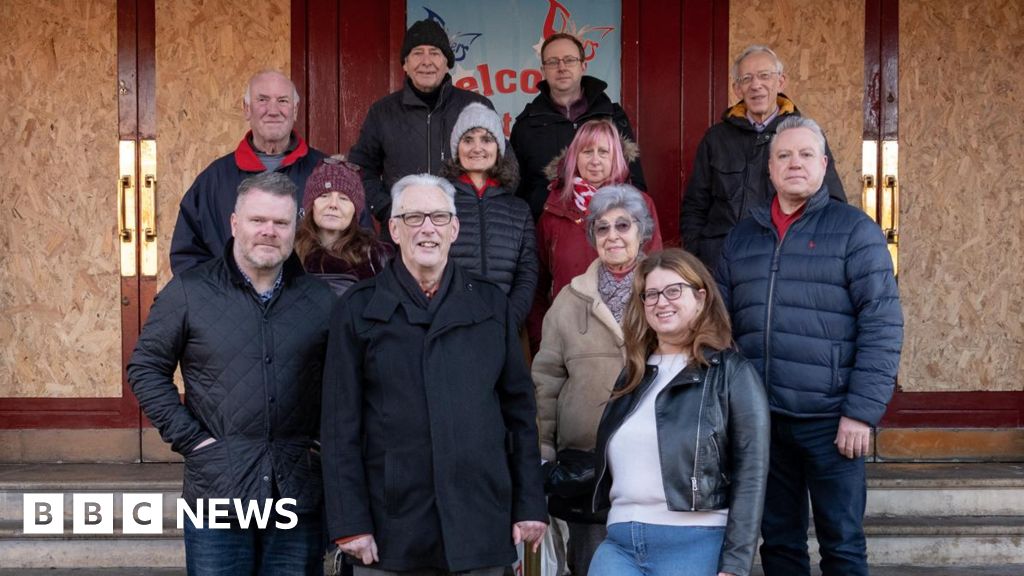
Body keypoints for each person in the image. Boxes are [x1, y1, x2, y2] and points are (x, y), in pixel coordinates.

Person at [321, 174, 548, 575]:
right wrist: (349, 522)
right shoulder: (358, 309)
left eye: (440, 217)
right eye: (414, 217)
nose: (428, 228)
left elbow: (519, 414)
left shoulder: (491, 304)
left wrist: (529, 504)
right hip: (391, 530)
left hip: (480, 524)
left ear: (455, 228)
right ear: (393, 229)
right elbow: (340, 427)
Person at [715, 117, 903, 576]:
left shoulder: (855, 231)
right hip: (764, 421)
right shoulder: (743, 238)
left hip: (832, 421)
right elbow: (718, 325)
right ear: (770, 169)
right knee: (779, 544)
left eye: (804, 155)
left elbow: (883, 325)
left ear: (823, 164)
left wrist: (860, 411)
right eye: (783, 155)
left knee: (841, 544)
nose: (793, 163)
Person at [128, 171, 335, 575]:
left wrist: (321, 442)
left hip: (296, 487)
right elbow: (146, 367)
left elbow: (345, 383)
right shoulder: (190, 292)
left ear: (296, 227)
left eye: (281, 222)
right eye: (258, 220)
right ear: (235, 223)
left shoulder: (320, 300)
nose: (269, 232)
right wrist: (192, 440)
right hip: (218, 490)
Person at [591, 248, 770, 576]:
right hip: (619, 542)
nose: (662, 302)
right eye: (652, 294)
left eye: (674, 291)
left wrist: (735, 564)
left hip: (695, 542)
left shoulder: (731, 373)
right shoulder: (633, 374)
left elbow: (752, 475)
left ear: (701, 298)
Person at [531, 185, 656, 576]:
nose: (613, 236)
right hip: (587, 466)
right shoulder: (570, 300)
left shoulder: (665, 290)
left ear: (642, 231)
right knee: (592, 563)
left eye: (624, 225)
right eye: (602, 228)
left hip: (654, 461)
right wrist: (543, 449)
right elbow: (546, 378)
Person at [680, 45, 847, 271]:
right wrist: (699, 258)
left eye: (764, 76)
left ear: (781, 81)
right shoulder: (716, 138)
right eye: (746, 79)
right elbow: (694, 207)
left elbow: (832, 202)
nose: (756, 85)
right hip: (720, 265)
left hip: (784, 262)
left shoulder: (803, 135)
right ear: (736, 89)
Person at [348, 19, 501, 238]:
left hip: (468, 235)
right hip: (403, 233)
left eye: (435, 53)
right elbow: (360, 169)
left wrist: (479, 210)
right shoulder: (382, 112)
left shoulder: (476, 106)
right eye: (417, 53)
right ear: (405, 64)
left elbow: (504, 167)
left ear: (447, 62)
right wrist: (386, 208)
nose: (426, 61)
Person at [171, 69, 326, 274]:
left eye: (282, 101)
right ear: (246, 109)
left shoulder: (327, 174)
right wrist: (216, 300)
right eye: (262, 99)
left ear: (295, 110)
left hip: (309, 304)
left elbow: (357, 249)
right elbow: (187, 257)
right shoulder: (213, 181)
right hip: (229, 304)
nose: (273, 110)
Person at [531, 118, 662, 346]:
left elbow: (655, 270)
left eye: (604, 152)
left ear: (616, 158)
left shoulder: (641, 204)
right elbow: (539, 284)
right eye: (586, 151)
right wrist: (544, 338)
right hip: (571, 333)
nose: (594, 160)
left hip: (630, 333)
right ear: (574, 157)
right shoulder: (554, 209)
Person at [511, 32, 646, 220]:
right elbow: (516, 192)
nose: (562, 67)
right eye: (552, 62)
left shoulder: (612, 116)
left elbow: (635, 182)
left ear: (583, 65)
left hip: (607, 228)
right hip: (548, 232)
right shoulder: (526, 124)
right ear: (543, 70)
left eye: (569, 60)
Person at [441, 102, 537, 329]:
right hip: (448, 327)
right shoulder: (439, 203)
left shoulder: (519, 210)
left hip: (505, 328)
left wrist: (508, 319)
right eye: (468, 140)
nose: (477, 148)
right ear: (457, 149)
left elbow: (527, 272)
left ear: (498, 148)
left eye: (486, 139)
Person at [296, 158, 393, 295]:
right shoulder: (289, 251)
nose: (333, 204)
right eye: (324, 196)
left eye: (344, 198)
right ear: (311, 205)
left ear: (355, 210)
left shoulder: (376, 256)